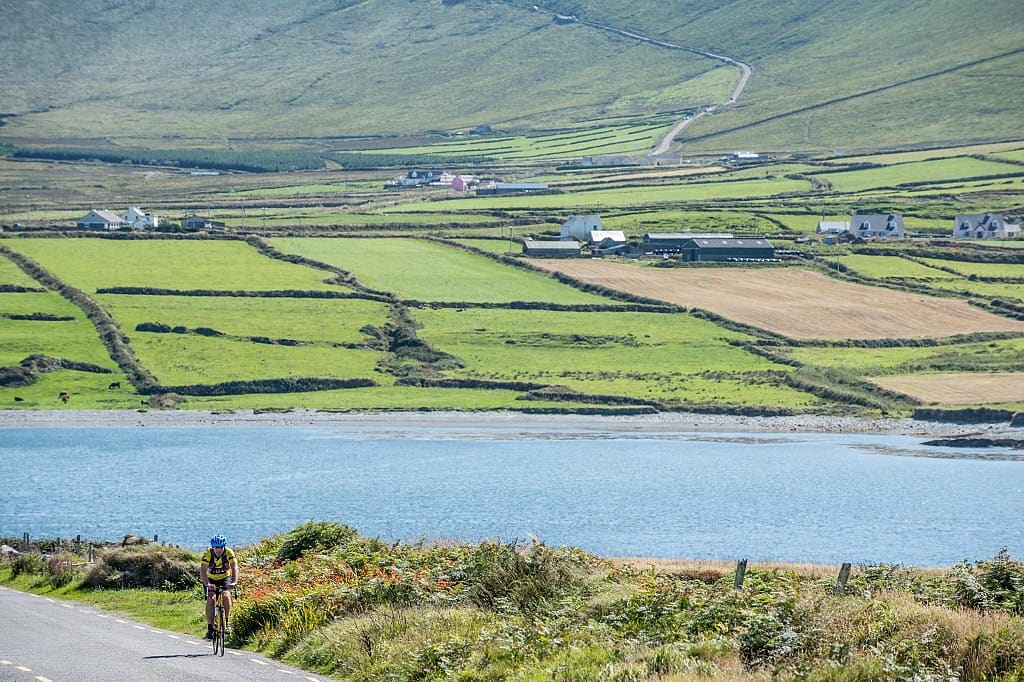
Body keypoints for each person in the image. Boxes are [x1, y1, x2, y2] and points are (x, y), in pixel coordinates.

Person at [200, 534, 238, 640]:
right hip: (211, 579)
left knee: (226, 595)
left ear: (224, 547)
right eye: (216, 547)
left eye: (220, 547)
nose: (218, 550)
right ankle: (210, 627)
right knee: (211, 598)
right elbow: (203, 570)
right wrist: (207, 583)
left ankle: (227, 621)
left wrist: (234, 582)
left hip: (224, 578)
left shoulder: (229, 552)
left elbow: (234, 568)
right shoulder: (208, 554)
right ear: (213, 547)